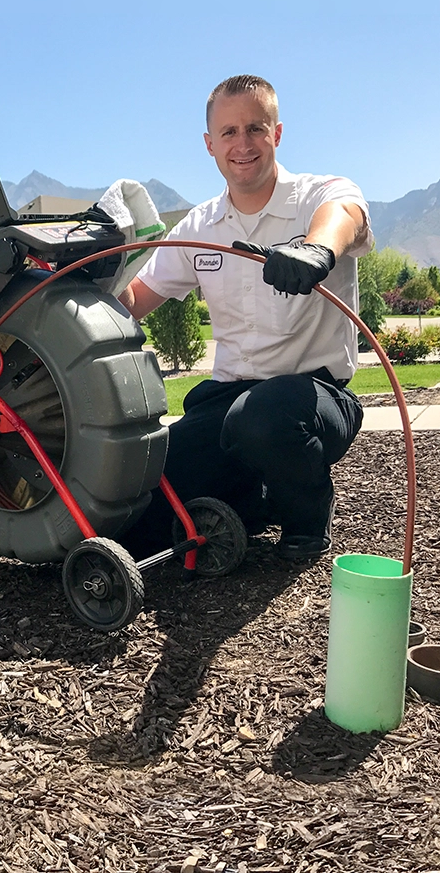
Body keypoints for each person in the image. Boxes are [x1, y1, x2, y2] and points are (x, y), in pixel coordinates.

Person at [118, 74, 373, 561]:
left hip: (312, 399)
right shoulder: (199, 226)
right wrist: (90, 276)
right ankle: (251, 505)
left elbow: (347, 214)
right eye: (229, 133)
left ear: (277, 133)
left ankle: (306, 519)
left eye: (255, 128)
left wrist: (317, 250)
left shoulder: (320, 194)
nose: (243, 144)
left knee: (262, 417)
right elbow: (134, 299)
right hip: (227, 401)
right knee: (142, 504)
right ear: (210, 145)